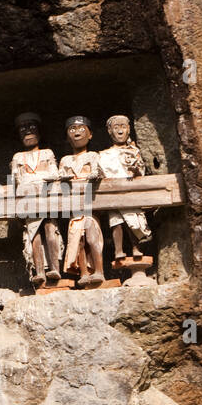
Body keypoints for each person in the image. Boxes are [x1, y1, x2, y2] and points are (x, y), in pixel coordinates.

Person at [10, 112, 62, 287]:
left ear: (40, 132)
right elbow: (16, 181)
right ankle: (39, 271)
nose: (27, 132)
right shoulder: (18, 157)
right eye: (23, 129)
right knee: (33, 232)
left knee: (50, 227)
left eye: (32, 128)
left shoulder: (47, 153)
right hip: (28, 198)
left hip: (47, 195)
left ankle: (55, 267)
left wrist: (35, 178)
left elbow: (55, 174)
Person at [58, 115, 105, 287]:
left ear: (90, 134)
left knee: (92, 237)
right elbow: (59, 178)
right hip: (74, 207)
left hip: (90, 204)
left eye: (81, 129)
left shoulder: (93, 155)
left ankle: (99, 270)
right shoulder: (65, 160)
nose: (76, 132)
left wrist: (95, 174)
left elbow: (99, 172)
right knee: (78, 240)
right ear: (67, 136)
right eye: (72, 129)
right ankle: (84, 273)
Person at [98, 114, 152, 261]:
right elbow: (101, 172)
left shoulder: (135, 151)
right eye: (116, 127)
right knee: (116, 221)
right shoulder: (104, 154)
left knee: (133, 220)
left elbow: (141, 172)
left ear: (129, 129)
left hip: (131, 192)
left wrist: (135, 170)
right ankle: (118, 250)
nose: (120, 131)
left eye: (123, 126)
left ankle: (136, 247)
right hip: (113, 193)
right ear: (110, 131)